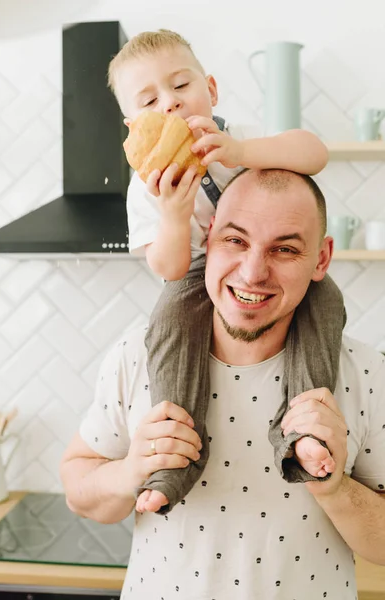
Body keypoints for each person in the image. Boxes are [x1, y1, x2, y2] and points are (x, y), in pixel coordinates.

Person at [60, 168, 385, 600]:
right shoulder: (137, 355)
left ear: (321, 259)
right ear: (209, 236)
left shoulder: (366, 372)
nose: (253, 273)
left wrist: (335, 487)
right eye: (235, 240)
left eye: (284, 249)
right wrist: (129, 471)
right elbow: (78, 490)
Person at [107, 28, 345, 515]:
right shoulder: (145, 188)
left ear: (210, 90)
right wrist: (174, 214)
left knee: (328, 301)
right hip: (196, 273)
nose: (169, 105)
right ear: (131, 124)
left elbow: (313, 154)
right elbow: (170, 269)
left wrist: (240, 154)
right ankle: (177, 457)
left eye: (180, 86)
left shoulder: (235, 145)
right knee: (169, 322)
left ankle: (304, 426)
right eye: (149, 99)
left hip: (250, 261)